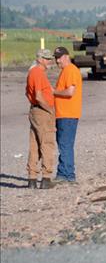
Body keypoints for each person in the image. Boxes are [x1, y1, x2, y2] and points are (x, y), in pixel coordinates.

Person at [25, 49, 56, 189]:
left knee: (35, 144)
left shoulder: (33, 72)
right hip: (42, 112)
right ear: (40, 59)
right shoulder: (37, 72)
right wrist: (49, 110)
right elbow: (38, 95)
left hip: (35, 110)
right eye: (48, 59)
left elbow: (28, 93)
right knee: (47, 143)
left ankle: (32, 179)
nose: (50, 62)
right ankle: (46, 178)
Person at [53, 47, 82, 183]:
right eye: (55, 58)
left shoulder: (70, 70)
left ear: (66, 56)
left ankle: (66, 174)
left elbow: (70, 92)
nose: (57, 60)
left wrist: (53, 91)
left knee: (65, 144)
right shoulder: (66, 70)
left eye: (59, 57)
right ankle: (66, 173)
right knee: (65, 144)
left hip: (68, 114)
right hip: (64, 114)